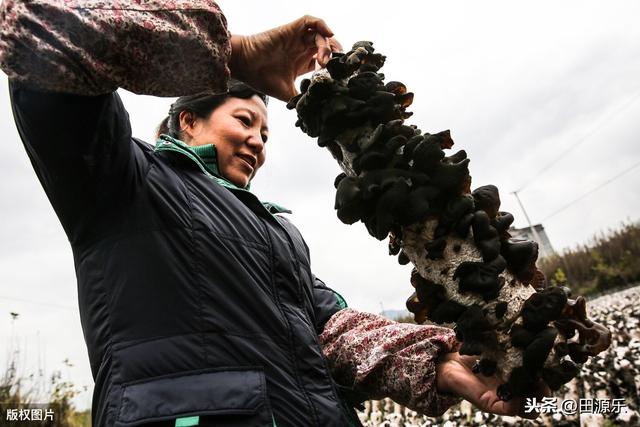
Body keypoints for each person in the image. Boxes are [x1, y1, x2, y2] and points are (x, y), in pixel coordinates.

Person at [0, 1, 543, 426]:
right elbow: (38, 26)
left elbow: (327, 328)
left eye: (266, 132)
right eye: (244, 119)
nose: (258, 141)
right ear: (187, 121)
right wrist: (227, 53)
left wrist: (435, 364)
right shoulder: (122, 180)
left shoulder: (276, 230)